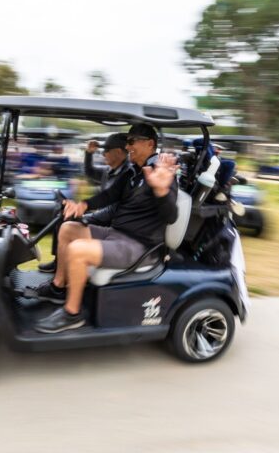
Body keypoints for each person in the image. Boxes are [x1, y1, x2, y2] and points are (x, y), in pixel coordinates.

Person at [33, 123, 178, 334]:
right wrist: (83, 205)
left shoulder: (161, 173)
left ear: (149, 144)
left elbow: (171, 216)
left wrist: (162, 191)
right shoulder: (133, 172)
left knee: (77, 249)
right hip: (116, 234)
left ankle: (72, 314)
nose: (127, 147)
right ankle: (58, 286)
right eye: (126, 142)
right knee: (68, 228)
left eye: (131, 141)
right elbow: (109, 195)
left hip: (138, 247)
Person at [38, 133, 129, 273]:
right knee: (61, 211)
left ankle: (62, 265)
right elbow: (89, 172)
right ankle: (58, 260)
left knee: (67, 217)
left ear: (118, 152)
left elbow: (112, 201)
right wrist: (89, 153)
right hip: (102, 215)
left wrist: (86, 214)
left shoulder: (126, 174)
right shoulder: (109, 171)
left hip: (110, 221)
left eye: (106, 150)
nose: (103, 153)